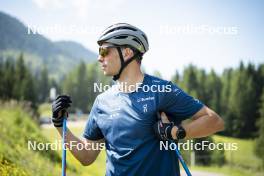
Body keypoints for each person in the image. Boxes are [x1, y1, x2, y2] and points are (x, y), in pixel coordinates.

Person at [52, 23, 225, 176]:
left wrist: (175, 132)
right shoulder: (102, 101)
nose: (99, 57)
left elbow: (214, 121)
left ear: (127, 52)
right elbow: (87, 156)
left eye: (104, 51)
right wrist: (60, 126)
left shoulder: (161, 90)